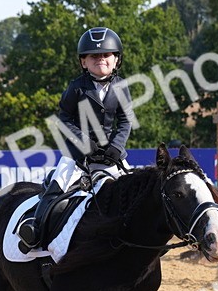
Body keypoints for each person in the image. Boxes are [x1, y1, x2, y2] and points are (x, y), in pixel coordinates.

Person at [16, 27, 134, 249]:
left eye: (106, 55)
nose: (101, 59)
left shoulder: (121, 87)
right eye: (94, 56)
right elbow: (64, 119)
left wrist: (117, 147)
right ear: (83, 62)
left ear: (116, 59)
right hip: (78, 156)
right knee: (56, 189)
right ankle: (35, 230)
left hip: (111, 155)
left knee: (134, 191)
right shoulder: (76, 87)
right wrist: (84, 143)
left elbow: (126, 121)